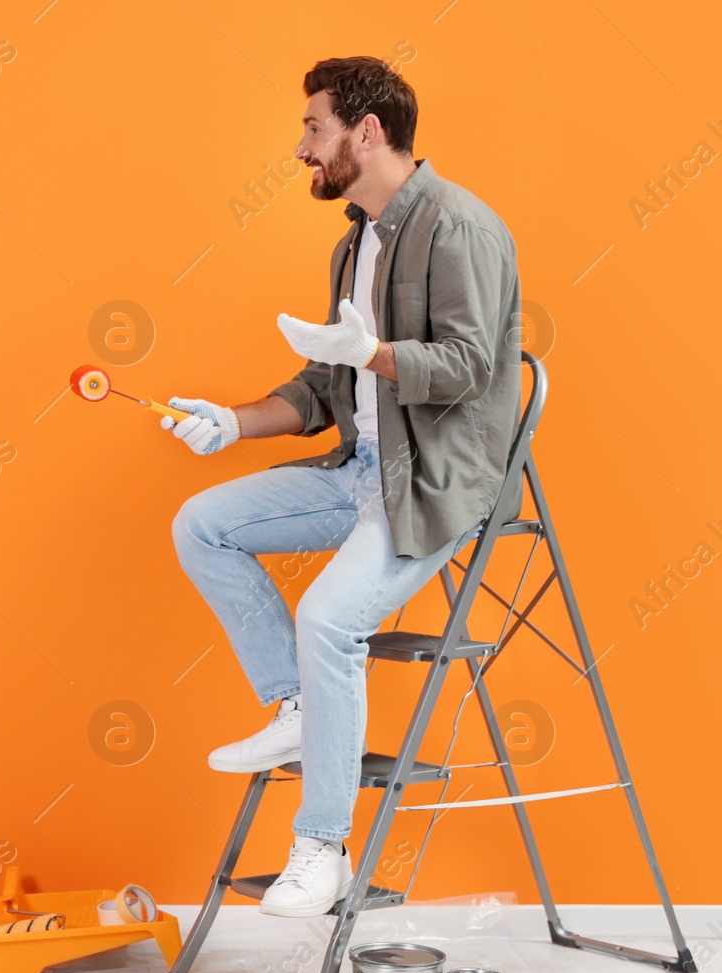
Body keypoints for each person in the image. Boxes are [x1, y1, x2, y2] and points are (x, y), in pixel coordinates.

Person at [167, 58, 521, 917]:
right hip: (360, 471)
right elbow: (328, 388)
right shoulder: (354, 242)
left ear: (367, 131)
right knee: (200, 523)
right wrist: (233, 421)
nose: (301, 148)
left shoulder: (459, 226)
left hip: (436, 481)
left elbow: (474, 367)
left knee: (330, 616)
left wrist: (372, 355)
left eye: (314, 127)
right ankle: (296, 703)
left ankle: (322, 846)